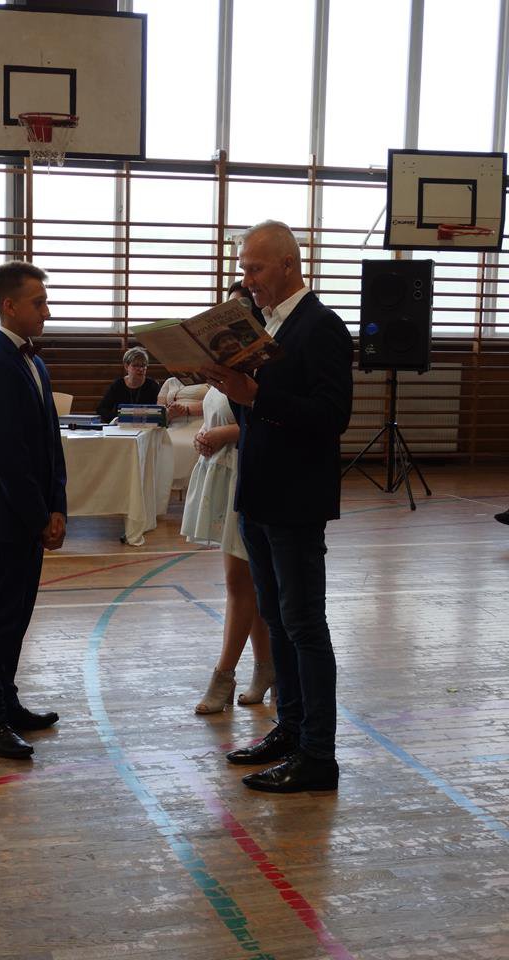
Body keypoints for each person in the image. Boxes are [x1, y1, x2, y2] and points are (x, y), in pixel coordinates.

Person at [203, 220, 353, 794]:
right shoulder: (264, 326)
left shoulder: (321, 326)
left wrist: (257, 394)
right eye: (244, 268)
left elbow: (331, 417)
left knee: (304, 624)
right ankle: (290, 729)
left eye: (255, 268)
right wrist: (230, 387)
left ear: (289, 264)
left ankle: (318, 755)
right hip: (259, 496)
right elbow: (258, 419)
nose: (247, 278)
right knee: (278, 620)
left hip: (295, 500)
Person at [0, 260, 67, 760]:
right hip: (7, 515)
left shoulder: (32, 362)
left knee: (18, 613)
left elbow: (50, 442)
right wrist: (38, 517)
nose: (46, 311)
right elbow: (9, 459)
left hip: (29, 513)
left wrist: (58, 505)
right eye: (38, 302)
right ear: (8, 306)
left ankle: (6, 701)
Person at [181, 284, 274, 714]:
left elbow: (267, 418)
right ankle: (266, 667)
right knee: (246, 584)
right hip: (224, 471)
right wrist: (207, 435)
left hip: (247, 474)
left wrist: (222, 434)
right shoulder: (222, 367)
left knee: (241, 584)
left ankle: (224, 675)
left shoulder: (263, 366)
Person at [97, 347, 160, 423]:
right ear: (126, 366)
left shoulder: (152, 385)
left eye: (143, 365)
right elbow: (102, 409)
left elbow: (159, 411)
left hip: (146, 426)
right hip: (121, 425)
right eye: (136, 365)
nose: (141, 369)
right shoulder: (118, 385)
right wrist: (117, 418)